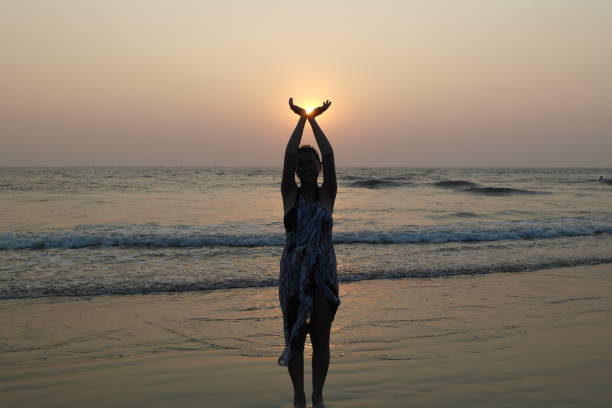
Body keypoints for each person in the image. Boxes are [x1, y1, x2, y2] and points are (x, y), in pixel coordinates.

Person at [279, 97, 340, 408]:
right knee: (294, 337)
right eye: (301, 164)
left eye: (310, 162)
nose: (304, 166)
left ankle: (317, 396)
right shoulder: (289, 194)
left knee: (320, 339)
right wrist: (300, 119)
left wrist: (315, 120)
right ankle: (298, 397)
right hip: (293, 273)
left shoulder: (327, 195)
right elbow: (288, 156)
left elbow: (329, 155)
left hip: (323, 273)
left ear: (317, 167)